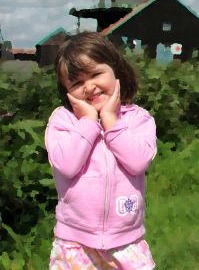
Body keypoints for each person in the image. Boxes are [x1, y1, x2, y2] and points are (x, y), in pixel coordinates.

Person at [45, 32, 157, 269]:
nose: (89, 87)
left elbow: (138, 162)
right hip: (74, 242)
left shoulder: (138, 119)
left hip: (127, 241)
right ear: (65, 89)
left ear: (116, 70)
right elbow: (66, 165)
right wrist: (87, 122)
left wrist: (110, 121)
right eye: (76, 83)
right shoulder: (63, 121)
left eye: (96, 74)